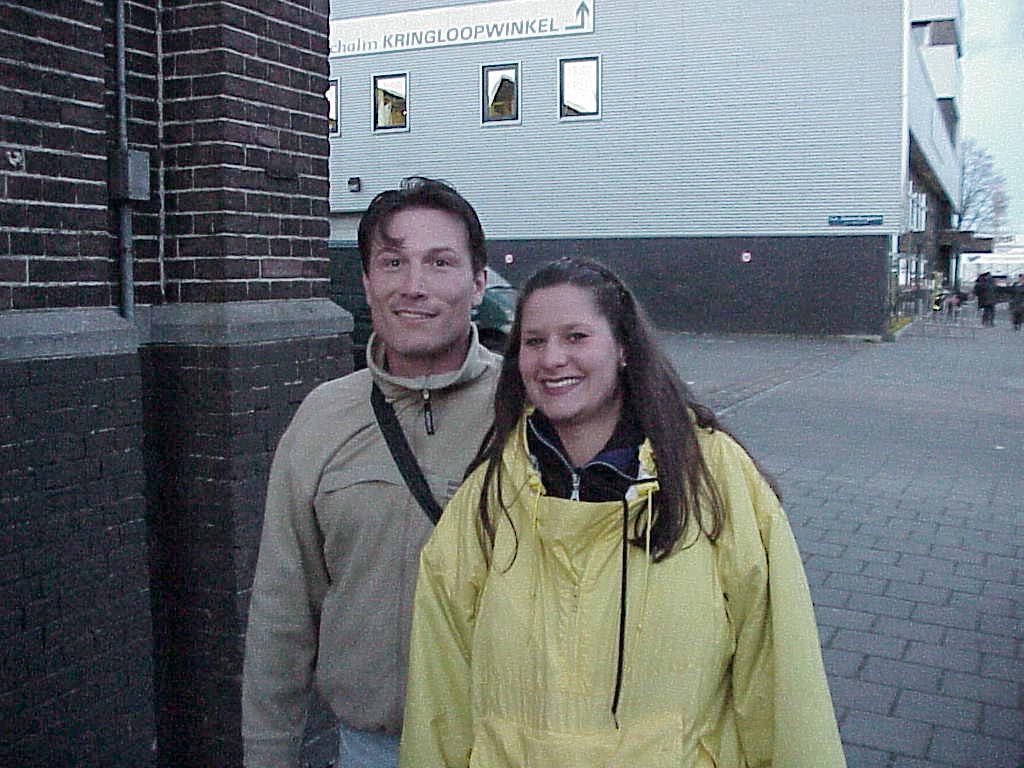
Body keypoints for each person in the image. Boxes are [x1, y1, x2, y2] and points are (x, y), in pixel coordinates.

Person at [399, 258, 846, 768]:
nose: (552, 359)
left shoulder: (713, 477)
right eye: (534, 341)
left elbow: (781, 676)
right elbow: (440, 690)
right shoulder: (487, 497)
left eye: (576, 336)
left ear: (623, 348)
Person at [242, 177, 502, 768]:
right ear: (366, 282)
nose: (414, 286)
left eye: (440, 262)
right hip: (371, 748)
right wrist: (267, 752)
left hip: (509, 743)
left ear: (478, 283)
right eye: (392, 262)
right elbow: (283, 608)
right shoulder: (322, 419)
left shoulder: (529, 409)